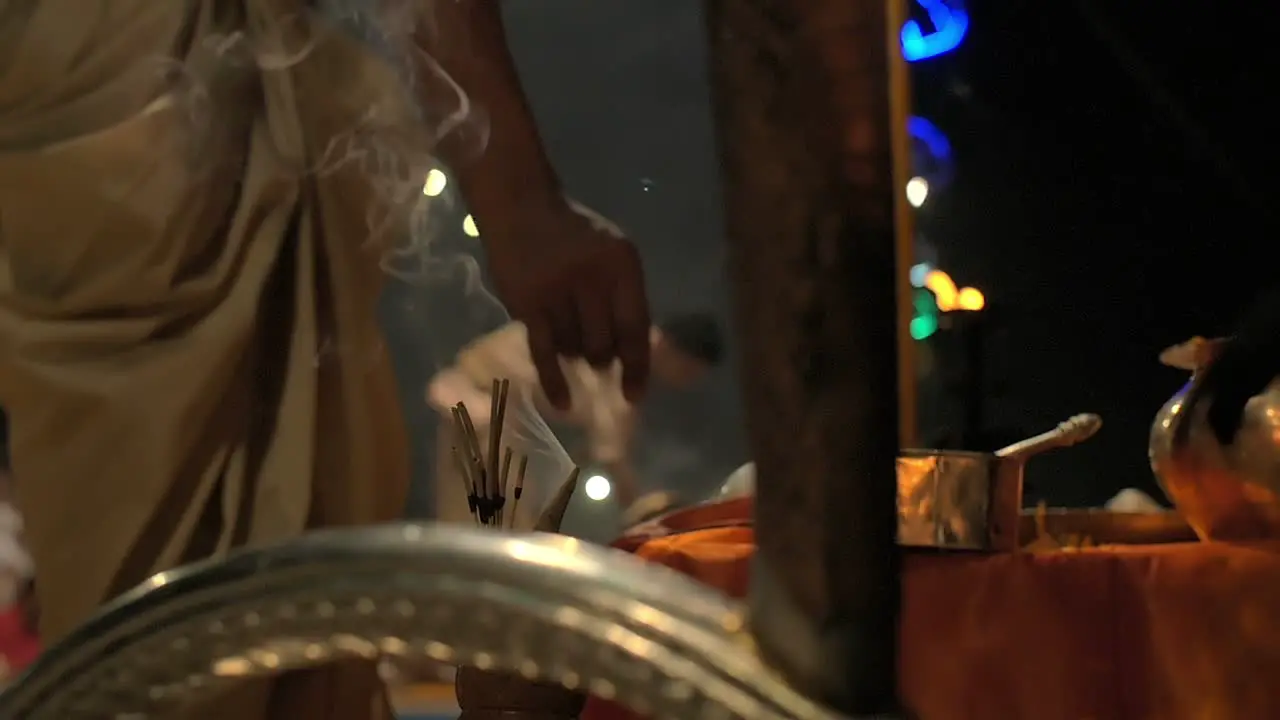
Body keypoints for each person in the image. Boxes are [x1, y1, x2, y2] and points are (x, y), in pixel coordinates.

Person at [0, 3, 649, 718]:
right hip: (130, 98)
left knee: (260, 602)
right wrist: (521, 204)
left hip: (121, 98)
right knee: (164, 624)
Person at [428, 311, 723, 525]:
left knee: (500, 523)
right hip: (482, 409)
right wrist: (642, 509)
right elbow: (612, 450)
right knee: (490, 528)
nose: (684, 383)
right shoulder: (624, 351)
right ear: (673, 351)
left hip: (493, 414)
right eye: (688, 372)